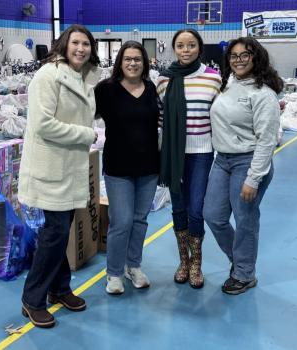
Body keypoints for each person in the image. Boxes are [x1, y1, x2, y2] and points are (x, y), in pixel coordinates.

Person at [18, 24, 101, 327]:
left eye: (86, 44)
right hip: (49, 169)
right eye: (76, 43)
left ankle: (59, 288)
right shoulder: (48, 75)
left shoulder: (83, 77)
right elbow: (43, 124)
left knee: (59, 234)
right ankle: (32, 299)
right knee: (53, 236)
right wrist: (86, 134)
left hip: (67, 167)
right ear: (64, 44)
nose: (81, 48)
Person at [203, 37, 283, 295]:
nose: (238, 60)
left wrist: (253, 178)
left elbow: (267, 139)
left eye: (244, 55)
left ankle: (245, 273)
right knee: (213, 216)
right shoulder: (227, 85)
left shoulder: (263, 94)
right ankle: (239, 261)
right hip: (222, 160)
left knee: (245, 219)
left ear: (255, 57)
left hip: (247, 162)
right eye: (234, 56)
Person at [156, 29, 221, 288]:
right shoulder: (164, 80)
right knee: (178, 207)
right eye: (180, 45)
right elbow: (160, 119)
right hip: (173, 153)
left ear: (199, 48)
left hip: (201, 153)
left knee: (196, 208)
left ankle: (197, 264)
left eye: (191, 45)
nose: (185, 50)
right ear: (174, 48)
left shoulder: (213, 78)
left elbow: (219, 116)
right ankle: (184, 260)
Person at [95, 41, 160, 294]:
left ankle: (134, 266)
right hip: (118, 167)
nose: (133, 63)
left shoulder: (151, 88)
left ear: (144, 63)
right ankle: (113, 273)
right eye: (128, 59)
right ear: (119, 62)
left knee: (140, 220)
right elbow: (84, 112)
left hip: (148, 167)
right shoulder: (106, 89)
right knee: (121, 222)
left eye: (137, 59)